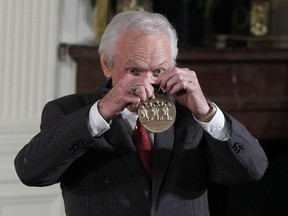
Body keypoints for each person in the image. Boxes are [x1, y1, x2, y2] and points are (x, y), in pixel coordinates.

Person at [14, 11, 268, 216]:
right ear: (106, 64)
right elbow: (31, 172)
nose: (147, 85)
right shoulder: (67, 111)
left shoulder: (192, 115)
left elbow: (253, 170)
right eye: (134, 71)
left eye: (159, 71)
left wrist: (205, 111)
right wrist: (101, 113)